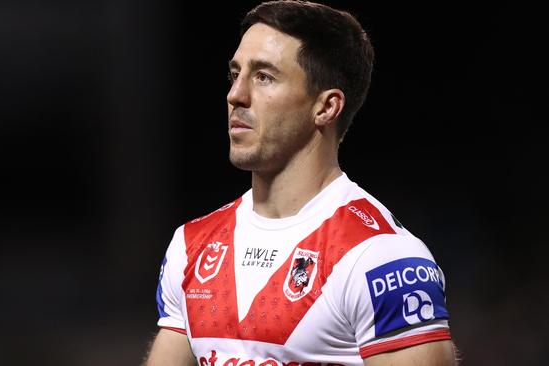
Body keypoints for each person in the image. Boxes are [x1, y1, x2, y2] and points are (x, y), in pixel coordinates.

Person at [145, 1, 457, 365]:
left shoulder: (380, 259)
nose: (235, 95)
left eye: (264, 76)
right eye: (235, 74)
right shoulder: (192, 246)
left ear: (326, 107)